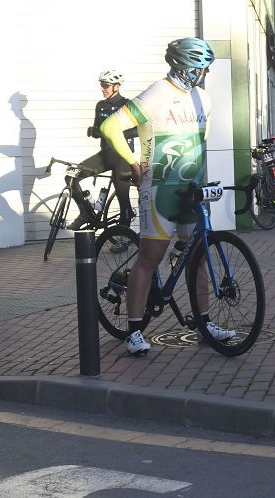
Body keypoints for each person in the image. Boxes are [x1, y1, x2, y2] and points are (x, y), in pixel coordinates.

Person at [99, 38, 235, 356]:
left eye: (206, 68)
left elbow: (199, 144)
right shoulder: (158, 92)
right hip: (158, 187)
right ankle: (134, 330)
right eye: (200, 67)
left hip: (190, 189)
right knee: (150, 258)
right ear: (183, 66)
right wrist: (133, 164)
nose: (204, 73)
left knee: (198, 255)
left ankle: (203, 323)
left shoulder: (203, 98)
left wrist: (205, 182)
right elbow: (111, 126)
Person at [67, 70, 137, 230]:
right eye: (102, 85)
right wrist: (94, 131)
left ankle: (123, 238)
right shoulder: (101, 105)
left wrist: (117, 133)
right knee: (71, 176)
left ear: (117, 86)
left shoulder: (127, 105)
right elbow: (99, 130)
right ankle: (86, 213)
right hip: (104, 155)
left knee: (123, 201)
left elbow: (139, 130)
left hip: (122, 157)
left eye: (106, 85)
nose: (103, 88)